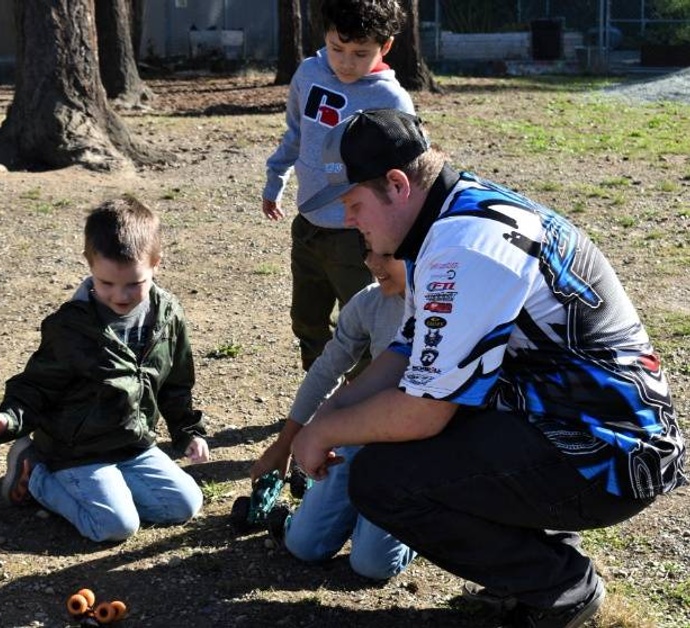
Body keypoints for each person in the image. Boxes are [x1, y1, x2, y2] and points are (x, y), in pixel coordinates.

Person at [292, 109, 687, 627]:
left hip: (609, 455)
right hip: (576, 427)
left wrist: (327, 430)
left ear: (396, 184)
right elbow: (408, 352)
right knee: (403, 446)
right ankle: (542, 563)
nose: (349, 221)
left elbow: (421, 413)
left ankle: (560, 589)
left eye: (353, 203)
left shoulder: (464, 247)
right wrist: (330, 413)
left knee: (385, 480)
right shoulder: (447, 219)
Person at [0, 196, 209, 543]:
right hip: (75, 451)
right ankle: (38, 473)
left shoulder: (167, 315)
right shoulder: (71, 326)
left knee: (184, 505)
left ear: (156, 263)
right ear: (89, 264)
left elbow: (175, 382)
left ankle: (110, 487)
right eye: (106, 283)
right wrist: (7, 419)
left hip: (133, 443)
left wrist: (188, 431)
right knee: (115, 527)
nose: (120, 295)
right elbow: (37, 386)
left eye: (133, 283)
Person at [261, 0, 414, 372]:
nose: (346, 62)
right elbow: (295, 133)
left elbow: (407, 173)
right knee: (306, 319)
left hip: (358, 236)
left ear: (386, 46)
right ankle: (318, 397)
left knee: (362, 325)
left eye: (360, 53)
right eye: (337, 49)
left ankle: (358, 403)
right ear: (324, 38)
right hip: (309, 224)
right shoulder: (308, 74)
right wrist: (275, 178)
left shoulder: (391, 100)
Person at [250, 248, 415, 580]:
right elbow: (327, 370)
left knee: (371, 565)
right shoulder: (370, 301)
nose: (370, 263)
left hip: (412, 449)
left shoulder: (451, 310)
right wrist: (284, 445)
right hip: (362, 435)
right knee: (303, 547)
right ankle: (350, 511)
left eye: (386, 254)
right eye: (366, 251)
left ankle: (428, 521)